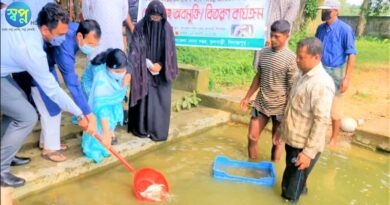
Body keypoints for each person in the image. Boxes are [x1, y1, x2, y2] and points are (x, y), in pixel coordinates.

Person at [1, 2, 93, 187]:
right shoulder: (32, 51)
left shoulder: (26, 19)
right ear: (44, 29)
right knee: (27, 116)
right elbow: (53, 91)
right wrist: (80, 113)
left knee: (17, 105)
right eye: (59, 34)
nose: (62, 38)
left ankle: (6, 154)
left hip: (3, 71)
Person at [14, 19, 102, 162]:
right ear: (80, 36)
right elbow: (72, 84)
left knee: (53, 106)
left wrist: (86, 113)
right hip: (34, 68)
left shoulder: (75, 28)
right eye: (91, 44)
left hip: (46, 65)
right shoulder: (65, 48)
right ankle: (49, 148)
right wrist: (88, 114)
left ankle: (46, 142)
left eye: (96, 44)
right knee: (51, 109)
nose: (93, 48)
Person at [274, 37, 335, 202]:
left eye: (301, 57)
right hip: (293, 140)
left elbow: (321, 121)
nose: (297, 60)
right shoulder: (302, 74)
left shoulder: (321, 84)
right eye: (297, 56)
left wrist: (308, 154)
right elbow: (292, 106)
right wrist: (281, 130)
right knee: (294, 182)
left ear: (316, 58)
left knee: (289, 194)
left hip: (304, 147)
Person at [240, 20, 298, 162]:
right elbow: (258, 76)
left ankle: (272, 169)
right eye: (271, 35)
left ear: (286, 36)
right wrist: (247, 97)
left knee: (277, 142)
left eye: (277, 36)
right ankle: (252, 166)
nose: (272, 39)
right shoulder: (264, 52)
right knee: (252, 137)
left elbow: (292, 89)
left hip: (280, 107)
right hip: (261, 103)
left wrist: (288, 114)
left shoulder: (291, 59)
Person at [127, 0, 178, 141]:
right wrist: (144, 63)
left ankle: (157, 130)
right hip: (143, 67)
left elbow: (170, 53)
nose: (155, 20)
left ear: (162, 17)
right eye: (152, 18)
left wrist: (161, 65)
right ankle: (141, 128)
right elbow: (134, 50)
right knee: (143, 98)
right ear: (148, 15)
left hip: (161, 70)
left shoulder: (167, 29)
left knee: (159, 98)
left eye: (158, 18)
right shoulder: (140, 27)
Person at [315, 0, 357, 147]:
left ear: (336, 11)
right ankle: (316, 134)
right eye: (323, 10)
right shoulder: (320, 29)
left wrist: (347, 78)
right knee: (317, 102)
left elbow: (352, 54)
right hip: (320, 69)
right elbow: (316, 49)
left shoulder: (345, 30)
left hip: (336, 72)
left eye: (327, 10)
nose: (324, 12)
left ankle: (333, 138)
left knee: (335, 107)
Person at [81, 48, 131, 163]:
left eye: (122, 71)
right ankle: (93, 147)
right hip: (94, 93)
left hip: (108, 99)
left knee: (111, 118)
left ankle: (103, 144)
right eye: (117, 72)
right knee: (98, 120)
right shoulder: (101, 78)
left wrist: (127, 75)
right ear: (109, 68)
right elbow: (102, 108)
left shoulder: (119, 67)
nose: (120, 74)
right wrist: (107, 134)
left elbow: (127, 70)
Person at [253, 0, 300, 69]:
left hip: (278, 39)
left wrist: (273, 38)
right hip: (262, 36)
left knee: (277, 67)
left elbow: (286, 23)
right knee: (261, 68)